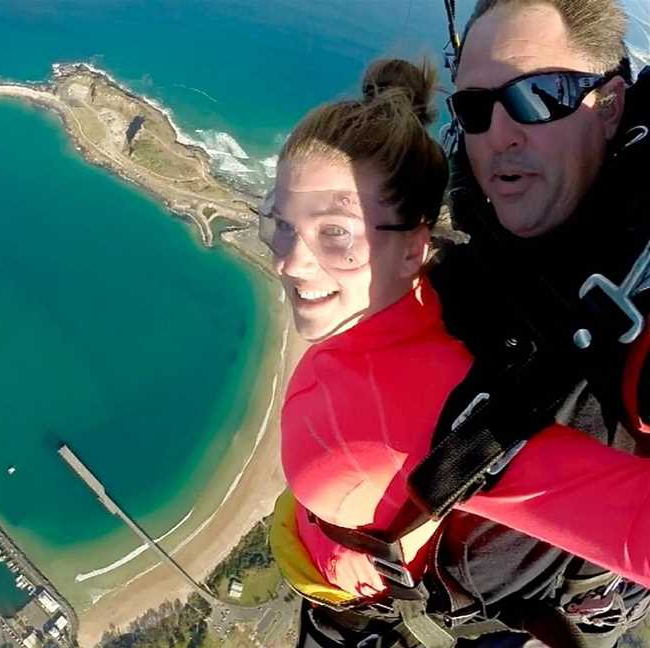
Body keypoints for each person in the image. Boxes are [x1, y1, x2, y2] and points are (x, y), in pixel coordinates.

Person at [265, 56, 650, 648]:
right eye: (280, 223)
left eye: (335, 233)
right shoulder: (405, 308)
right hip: (342, 577)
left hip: (376, 616)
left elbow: (633, 523)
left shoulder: (431, 413)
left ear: (414, 248)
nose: (289, 260)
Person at [424, 0, 650, 645]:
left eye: (537, 96)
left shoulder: (637, 265)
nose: (499, 132)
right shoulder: (475, 229)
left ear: (609, 107)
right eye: (474, 108)